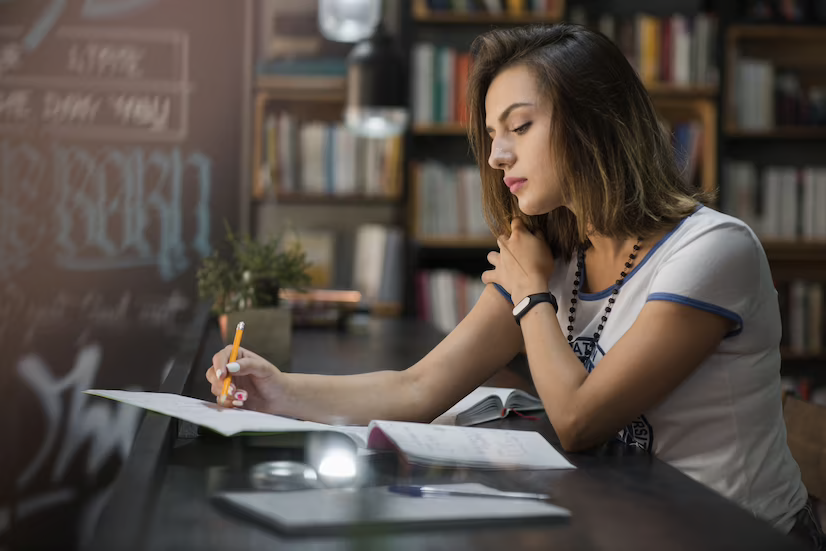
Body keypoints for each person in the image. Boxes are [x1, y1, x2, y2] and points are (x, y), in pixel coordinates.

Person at [207, 24, 824, 547]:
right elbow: (417, 387)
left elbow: (579, 421)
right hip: (628, 523)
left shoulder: (712, 250)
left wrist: (531, 295)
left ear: (595, 123)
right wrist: (279, 390)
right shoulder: (551, 254)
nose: (497, 155)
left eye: (520, 126)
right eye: (492, 134)